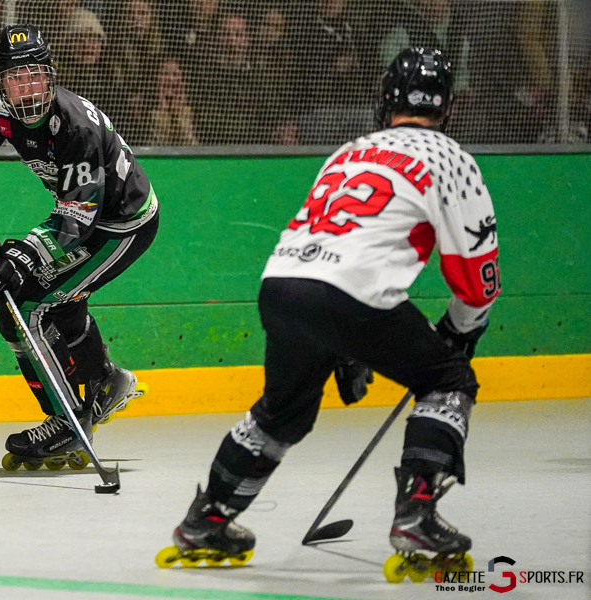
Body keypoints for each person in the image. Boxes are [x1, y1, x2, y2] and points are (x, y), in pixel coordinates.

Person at [160, 47, 500, 571]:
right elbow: (477, 275)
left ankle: (209, 518)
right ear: (446, 106)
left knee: (282, 412)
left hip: (282, 283)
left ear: (386, 99)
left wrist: (347, 346)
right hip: (352, 292)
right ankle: (417, 514)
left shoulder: (351, 151)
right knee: (448, 382)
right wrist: (459, 333)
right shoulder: (451, 158)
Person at [0, 24, 158, 469]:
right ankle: (105, 382)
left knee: (24, 308)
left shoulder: (75, 128)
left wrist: (21, 257)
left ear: (50, 75)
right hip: (88, 219)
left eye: (35, 74)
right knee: (57, 302)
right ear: (2, 83)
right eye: (16, 77)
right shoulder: (2, 110)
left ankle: (67, 421)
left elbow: (76, 219)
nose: (27, 86)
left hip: (120, 224)